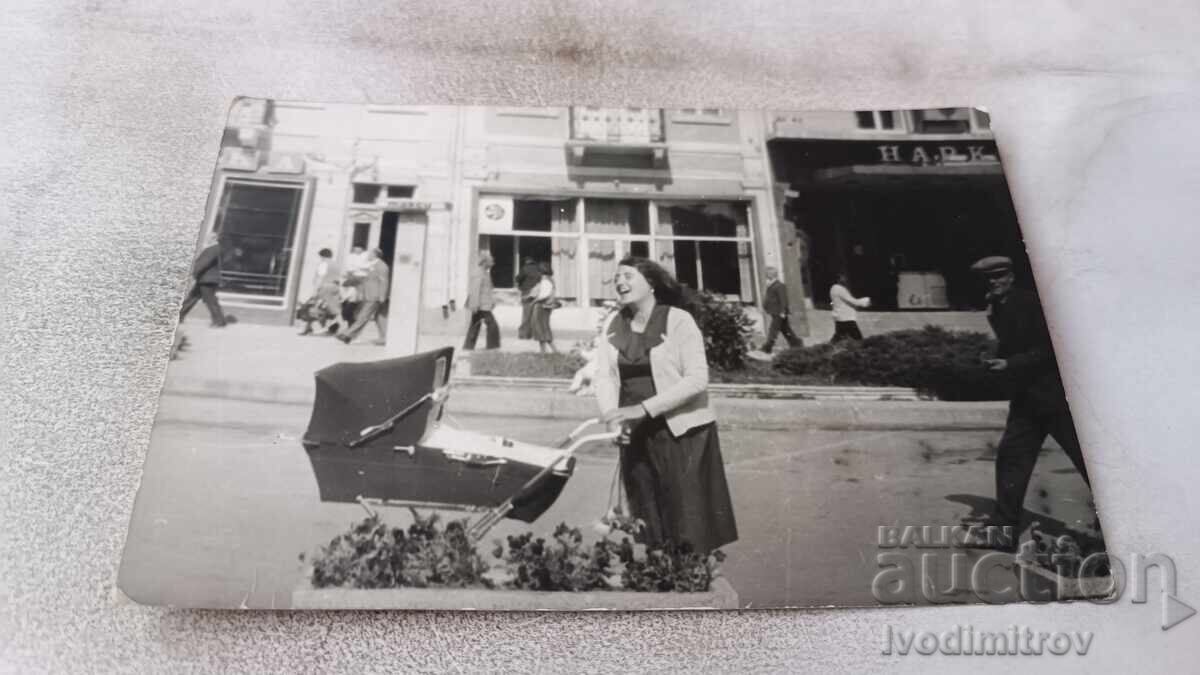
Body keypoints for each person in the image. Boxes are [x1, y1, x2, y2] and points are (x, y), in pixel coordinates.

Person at [594, 256, 738, 555]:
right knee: (646, 512)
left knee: (686, 515)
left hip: (680, 430)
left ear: (651, 283)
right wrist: (614, 421)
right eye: (616, 277)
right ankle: (660, 575)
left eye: (628, 276)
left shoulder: (677, 320)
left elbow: (698, 379)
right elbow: (604, 377)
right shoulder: (614, 323)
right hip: (635, 432)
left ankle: (691, 581)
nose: (620, 282)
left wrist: (644, 408)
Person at [967, 256, 1092, 549]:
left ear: (1011, 277)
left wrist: (1010, 364)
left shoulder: (1031, 303)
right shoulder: (999, 306)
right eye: (988, 280)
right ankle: (1004, 531)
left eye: (999, 277)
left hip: (1056, 398)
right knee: (1011, 459)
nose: (994, 283)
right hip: (1028, 399)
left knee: (1089, 462)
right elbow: (1014, 343)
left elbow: (1051, 348)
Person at [337, 248, 389, 344]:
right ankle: (384, 337)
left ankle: (348, 334)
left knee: (363, 315)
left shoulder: (382, 266)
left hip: (375, 295)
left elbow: (384, 281)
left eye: (369, 254)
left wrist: (382, 296)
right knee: (379, 317)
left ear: (374, 255)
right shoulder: (370, 266)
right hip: (369, 295)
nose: (367, 256)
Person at [179, 231, 227, 328]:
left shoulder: (212, 249)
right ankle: (179, 316)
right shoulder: (216, 249)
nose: (207, 239)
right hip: (207, 279)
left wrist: (193, 274)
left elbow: (203, 264)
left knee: (210, 301)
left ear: (214, 238)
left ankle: (219, 321)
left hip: (207, 279)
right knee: (193, 298)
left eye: (209, 237)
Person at [462, 251, 500, 350]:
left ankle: (468, 347)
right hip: (480, 305)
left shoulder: (485, 273)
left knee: (474, 326)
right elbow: (475, 290)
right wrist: (474, 305)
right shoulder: (478, 273)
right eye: (491, 261)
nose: (493, 263)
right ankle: (492, 346)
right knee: (492, 325)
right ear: (484, 262)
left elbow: (488, 289)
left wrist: (492, 301)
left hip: (484, 305)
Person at [760, 266, 803, 354]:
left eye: (767, 273)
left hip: (779, 312)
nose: (766, 275)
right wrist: (765, 307)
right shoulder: (771, 284)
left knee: (773, 329)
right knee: (785, 329)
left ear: (772, 275)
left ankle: (767, 347)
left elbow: (783, 300)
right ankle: (796, 344)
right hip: (775, 311)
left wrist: (783, 311)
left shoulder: (780, 285)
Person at [299, 248, 341, 335]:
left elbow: (320, 278)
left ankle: (324, 328)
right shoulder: (335, 265)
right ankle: (309, 327)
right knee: (326, 308)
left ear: (322, 256)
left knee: (315, 308)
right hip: (335, 288)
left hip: (325, 288)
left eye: (320, 257)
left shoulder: (324, 264)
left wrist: (315, 291)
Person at [829, 272, 870, 342]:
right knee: (858, 339)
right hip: (846, 318)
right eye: (843, 277)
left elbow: (834, 303)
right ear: (838, 279)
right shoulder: (840, 289)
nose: (845, 279)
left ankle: (825, 348)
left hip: (840, 318)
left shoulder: (833, 288)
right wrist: (865, 301)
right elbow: (852, 301)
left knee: (838, 339)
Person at [529, 263, 558, 354]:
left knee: (540, 328)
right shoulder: (550, 280)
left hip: (541, 305)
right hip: (547, 306)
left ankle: (544, 351)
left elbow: (543, 295)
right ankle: (553, 350)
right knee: (544, 327)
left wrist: (533, 301)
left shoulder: (545, 281)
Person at [340, 246, 369, 326]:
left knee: (351, 305)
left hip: (356, 283)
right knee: (347, 306)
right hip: (351, 283)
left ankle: (351, 324)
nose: (357, 251)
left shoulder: (364, 258)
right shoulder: (350, 257)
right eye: (355, 250)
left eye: (359, 249)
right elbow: (347, 269)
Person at [516, 257, 543, 340]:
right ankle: (534, 334)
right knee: (534, 314)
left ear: (526, 262)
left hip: (526, 292)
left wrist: (520, 285)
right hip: (536, 293)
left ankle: (524, 334)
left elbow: (517, 278)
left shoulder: (525, 269)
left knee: (526, 314)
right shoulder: (538, 270)